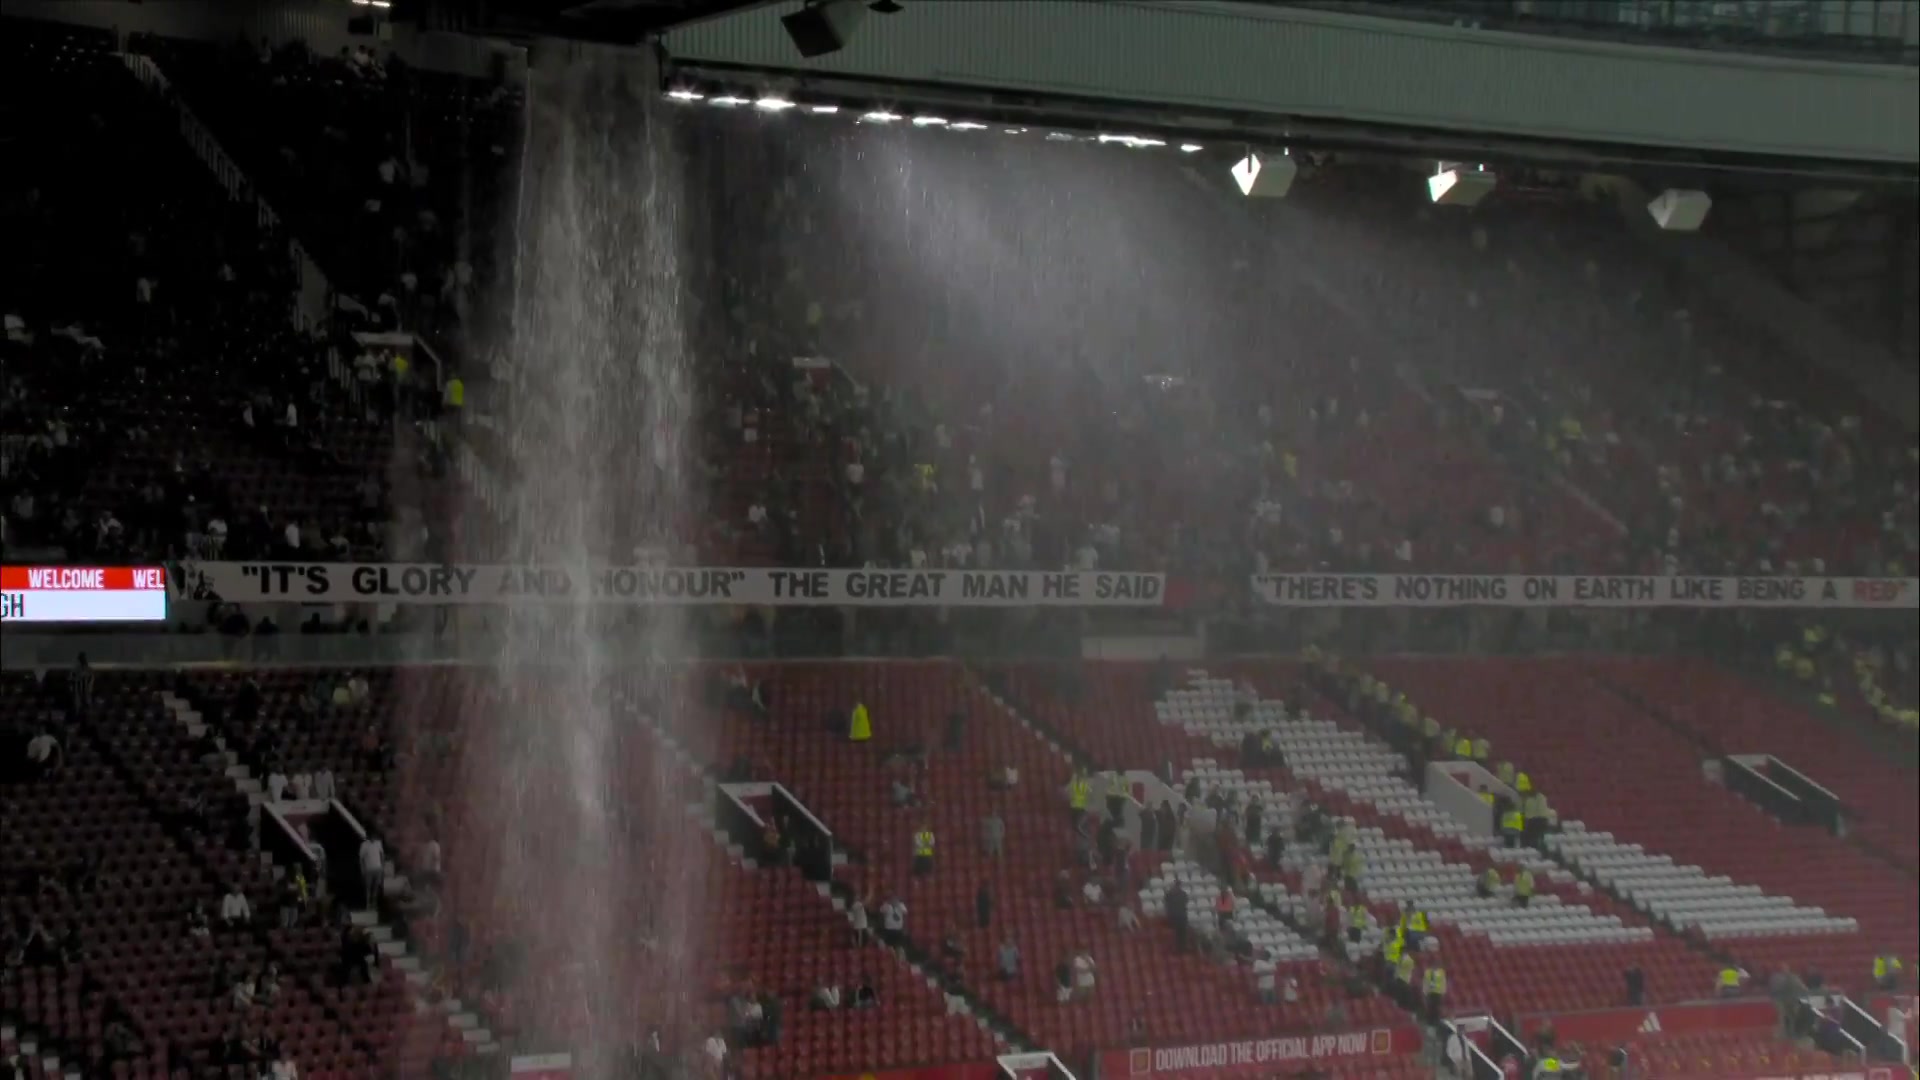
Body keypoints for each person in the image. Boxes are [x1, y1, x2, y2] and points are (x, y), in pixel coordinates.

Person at [358, 832, 386, 909]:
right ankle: (367, 904)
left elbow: (382, 855)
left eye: (374, 836)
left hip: (378, 868)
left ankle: (374, 904)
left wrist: (382, 867)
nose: (373, 837)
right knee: (368, 887)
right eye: (371, 836)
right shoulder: (364, 845)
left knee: (376, 887)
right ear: (369, 836)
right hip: (368, 869)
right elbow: (361, 859)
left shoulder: (378, 843)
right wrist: (362, 869)